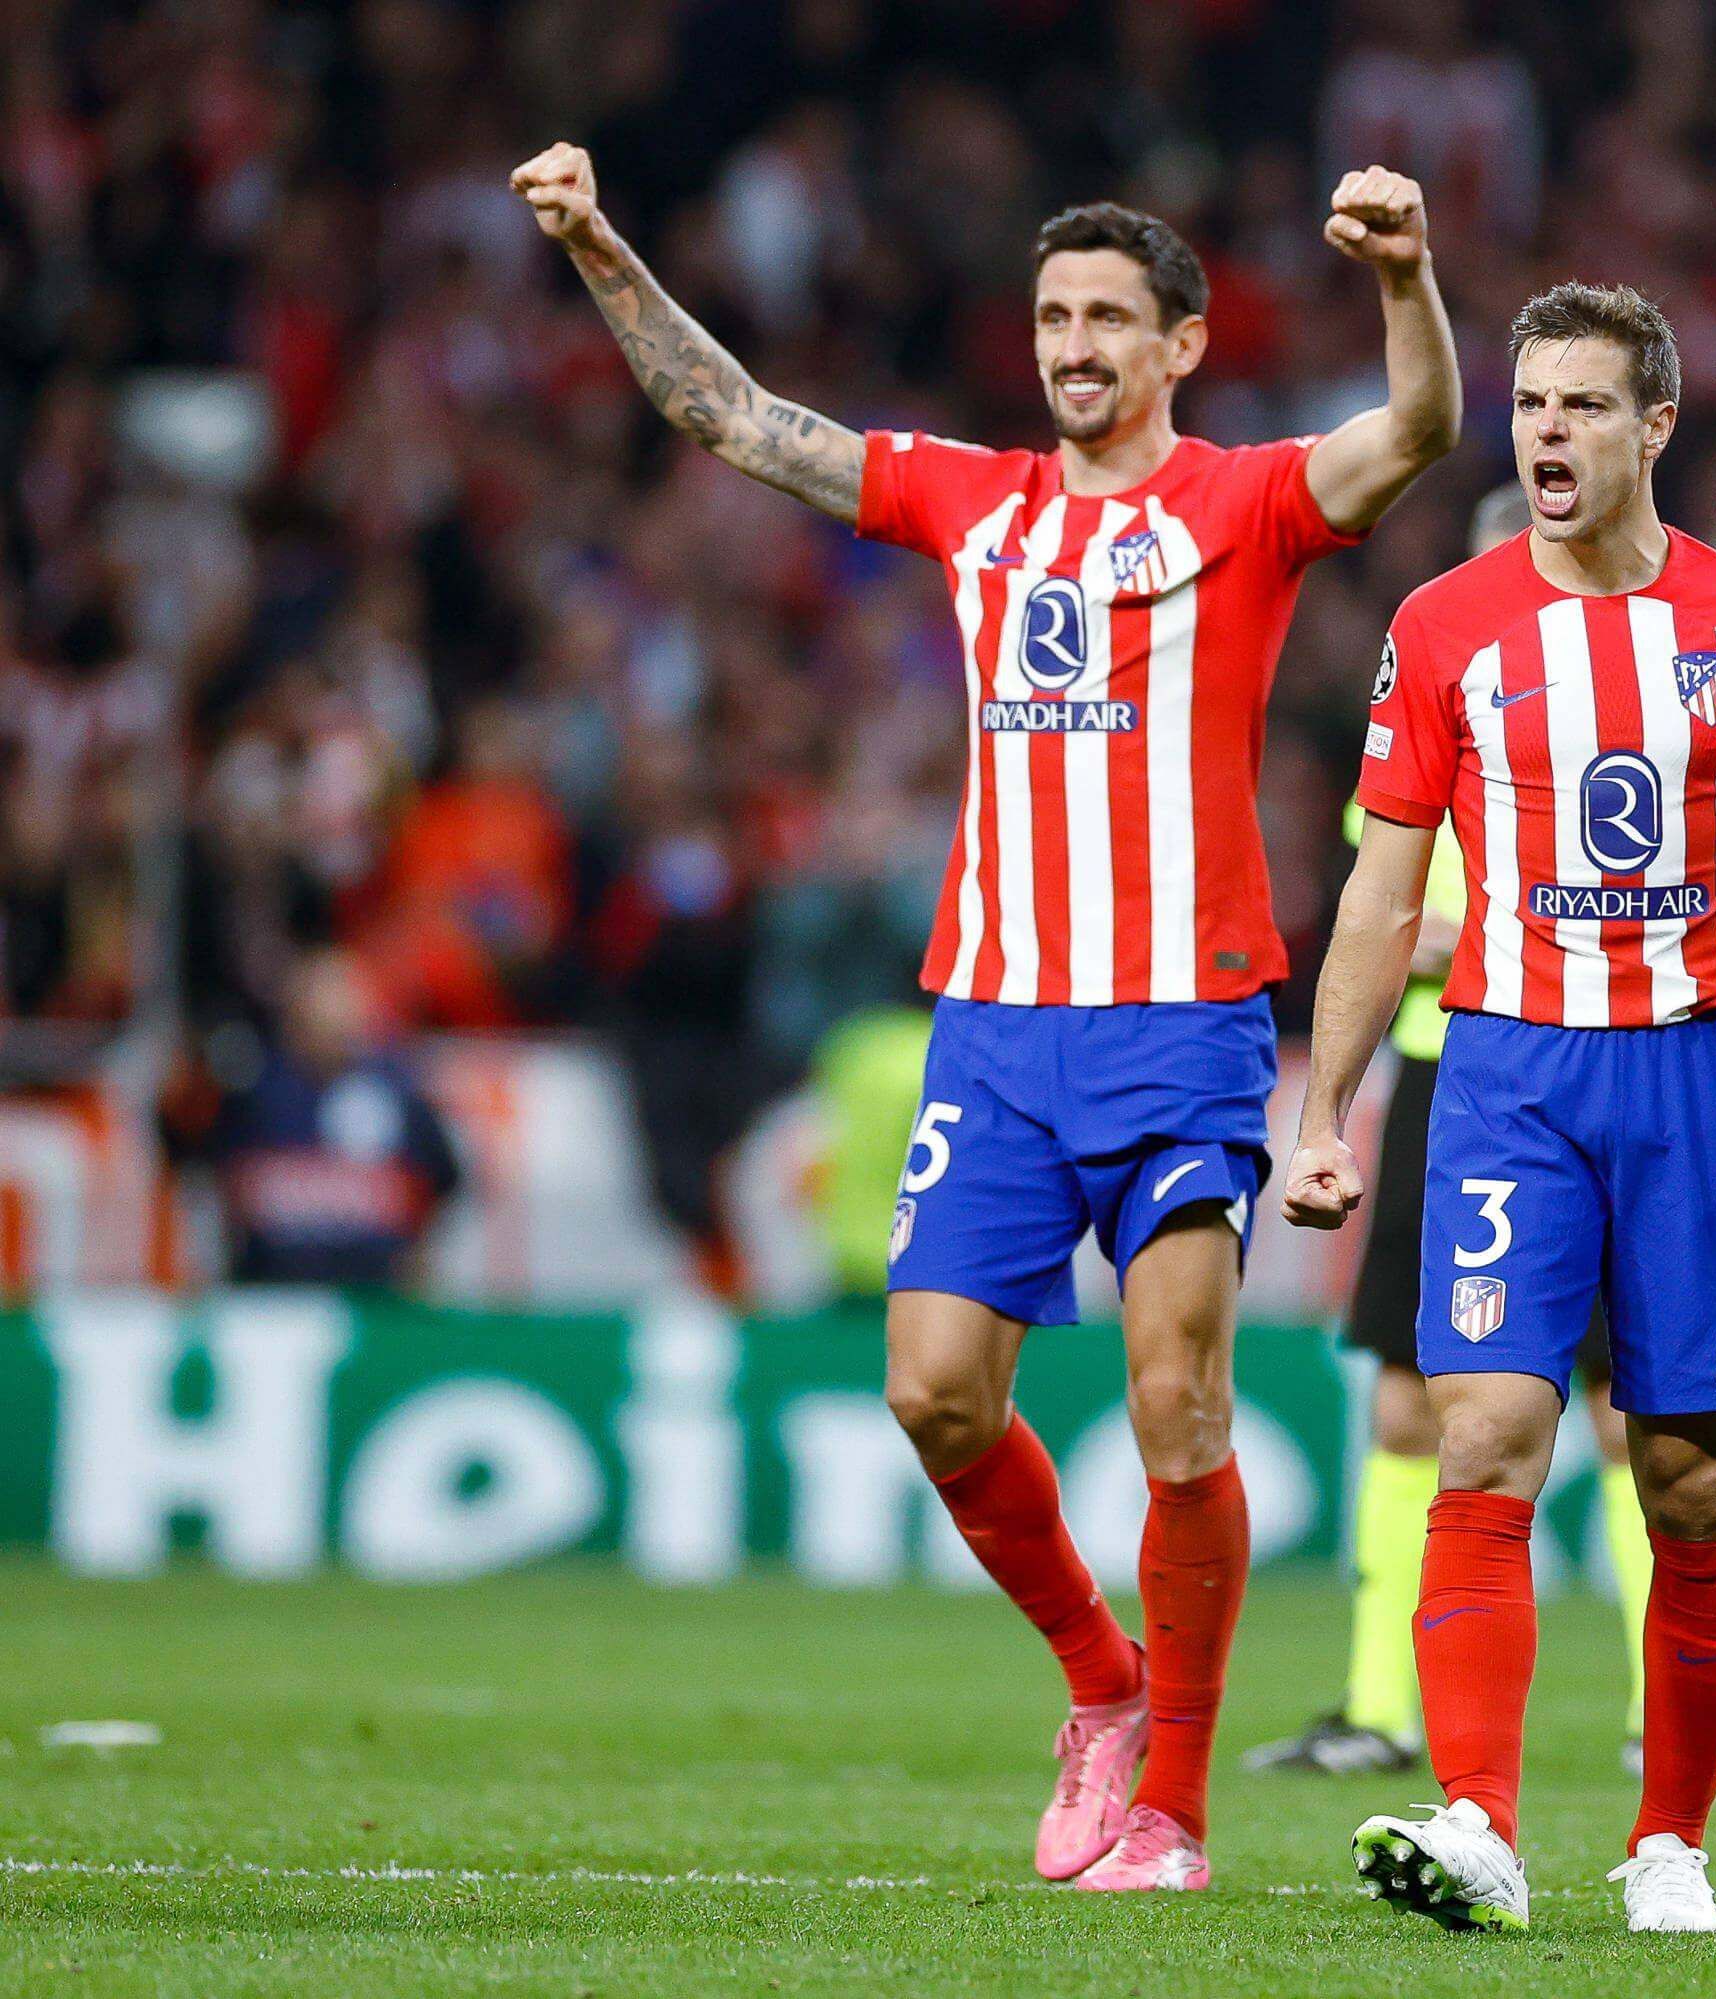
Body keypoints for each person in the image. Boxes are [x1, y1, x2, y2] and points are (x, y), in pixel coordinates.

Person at [513, 143, 1459, 1893]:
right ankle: (1102, 1682)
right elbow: (733, 417)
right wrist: (595, 245)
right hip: (996, 1026)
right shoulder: (970, 499)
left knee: (1180, 1404)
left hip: (1180, 1019)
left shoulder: (1247, 501)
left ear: (1180, 344)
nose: (1075, 341)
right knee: (937, 1392)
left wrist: (1404, 278)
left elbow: (1412, 434)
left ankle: (1169, 1801)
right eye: (1052, 314)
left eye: (1109, 314)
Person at [1283, 284, 1716, 1935]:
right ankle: (1479, 1813)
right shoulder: (1444, 623)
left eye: (1580, 405)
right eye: (1530, 404)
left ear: (1654, 428)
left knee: (1691, 1475)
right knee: (1484, 1429)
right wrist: (1323, 1103)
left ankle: (1670, 1840)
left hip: (1694, 1076)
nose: (1545, 431)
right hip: (1506, 1073)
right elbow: (1377, 892)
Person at [1249, 487, 1654, 1780]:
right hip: (1441, 1074)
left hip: (1589, 1063)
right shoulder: (1429, 692)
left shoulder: (1626, 712)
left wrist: (1477, 933)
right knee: (1409, 1401)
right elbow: (1387, 906)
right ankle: (1379, 1707)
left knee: (1624, 1407)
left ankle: (1662, 1705)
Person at [188, 947, 462, 1287]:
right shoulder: (253, 1094)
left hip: (378, 1303)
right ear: (293, 1016)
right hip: (274, 1304)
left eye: (341, 1002)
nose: (332, 1019)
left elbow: (445, 1179)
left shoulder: (397, 1092)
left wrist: (416, 1259)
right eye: (317, 1005)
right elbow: (212, 1172)